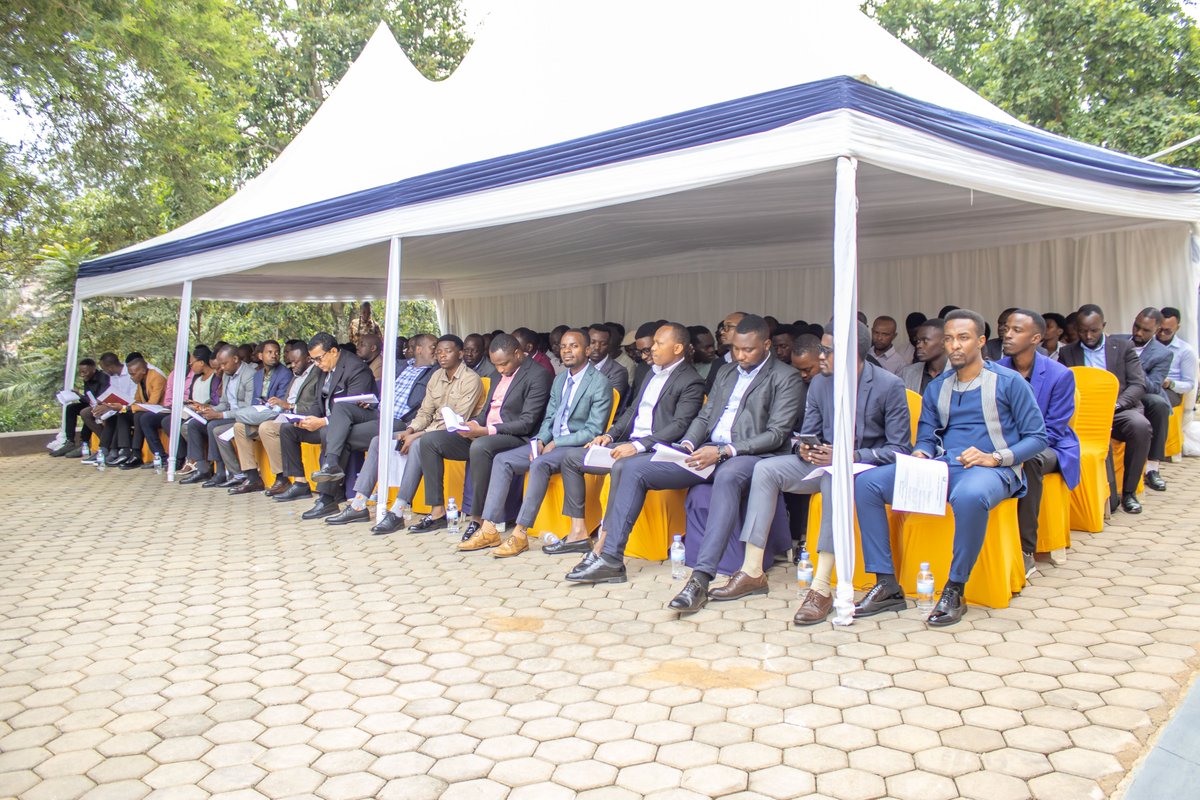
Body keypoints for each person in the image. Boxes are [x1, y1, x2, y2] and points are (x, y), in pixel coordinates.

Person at [566, 315, 804, 615]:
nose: (741, 356)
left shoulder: (785, 377)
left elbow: (777, 433)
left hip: (748, 456)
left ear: (766, 345)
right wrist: (688, 445)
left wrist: (725, 451)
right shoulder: (728, 372)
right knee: (630, 467)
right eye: (737, 350)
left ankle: (700, 579)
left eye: (749, 351)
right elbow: (705, 417)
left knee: (728, 476)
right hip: (705, 452)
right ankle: (611, 558)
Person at [854, 309, 1047, 627]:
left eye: (963, 337)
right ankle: (887, 583)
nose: (954, 345)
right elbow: (928, 436)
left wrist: (996, 457)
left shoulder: (1008, 382)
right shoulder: (938, 386)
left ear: (981, 341)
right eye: (948, 338)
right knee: (867, 483)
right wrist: (920, 453)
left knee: (969, 496)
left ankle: (954, 589)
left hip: (993, 471)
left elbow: (1038, 438)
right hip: (944, 469)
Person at [713, 322, 910, 624]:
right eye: (821, 349)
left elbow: (899, 449)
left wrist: (849, 456)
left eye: (827, 351)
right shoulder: (820, 382)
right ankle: (752, 571)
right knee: (765, 470)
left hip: (864, 468)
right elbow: (809, 433)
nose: (820, 357)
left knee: (834, 478)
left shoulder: (888, 384)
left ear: (851, 352)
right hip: (822, 461)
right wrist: (805, 449)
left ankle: (821, 588)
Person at [553, 323, 705, 554]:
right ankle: (579, 533)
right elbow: (632, 411)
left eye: (658, 344)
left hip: (655, 450)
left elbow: (680, 426)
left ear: (677, 348)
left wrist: (637, 446)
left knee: (622, 467)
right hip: (629, 444)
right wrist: (608, 435)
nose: (652, 348)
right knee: (572, 458)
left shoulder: (690, 380)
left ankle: (606, 543)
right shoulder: (648, 373)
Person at [459, 329, 612, 556]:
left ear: (588, 350)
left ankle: (520, 534)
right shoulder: (560, 380)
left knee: (539, 464)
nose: (567, 351)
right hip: (552, 444)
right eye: (563, 347)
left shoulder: (600, 383)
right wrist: (540, 440)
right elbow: (549, 417)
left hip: (575, 447)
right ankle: (489, 528)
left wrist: (556, 443)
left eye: (574, 346)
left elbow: (593, 430)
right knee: (502, 460)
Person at [403, 333, 552, 536]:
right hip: (484, 433)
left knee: (480, 446)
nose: (500, 370)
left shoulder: (538, 375)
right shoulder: (497, 374)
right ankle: (437, 512)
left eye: (504, 364)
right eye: (496, 365)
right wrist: (470, 425)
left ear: (518, 354)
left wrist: (485, 431)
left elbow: (527, 422)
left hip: (515, 437)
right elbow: (486, 413)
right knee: (429, 441)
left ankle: (478, 518)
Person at [360, 335, 487, 534]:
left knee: (422, 443)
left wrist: (417, 436)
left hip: (461, 437)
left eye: (448, 351)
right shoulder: (436, 376)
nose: (442, 355)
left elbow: (456, 421)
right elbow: (425, 412)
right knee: (380, 440)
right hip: (430, 433)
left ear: (460, 354)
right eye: (439, 352)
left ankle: (400, 511)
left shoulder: (471, 379)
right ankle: (359, 504)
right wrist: (410, 430)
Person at [302, 334, 436, 520]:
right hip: (377, 412)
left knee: (336, 434)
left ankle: (329, 498)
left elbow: (425, 406)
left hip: (400, 422)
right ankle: (331, 465)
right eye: (433, 347)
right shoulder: (401, 366)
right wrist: (372, 402)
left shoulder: (434, 373)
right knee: (341, 406)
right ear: (419, 349)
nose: (438, 352)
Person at [998, 310, 1081, 577]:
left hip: (1050, 447)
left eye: (1017, 330)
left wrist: (1014, 450)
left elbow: (1053, 429)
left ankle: (1025, 551)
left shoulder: (1059, 375)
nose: (1008, 334)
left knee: (1029, 459)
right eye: (1007, 328)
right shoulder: (994, 370)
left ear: (1036, 338)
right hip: (1003, 444)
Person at [1057, 304, 1150, 514]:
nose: (1088, 335)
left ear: (1103, 326)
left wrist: (1116, 405)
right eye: (1082, 331)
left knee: (1140, 426)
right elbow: (1062, 385)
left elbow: (1138, 384)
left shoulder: (1123, 347)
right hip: (1083, 414)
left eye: (1094, 330)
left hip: (1118, 410)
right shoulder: (1067, 352)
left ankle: (1128, 493)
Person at [270, 332, 377, 506]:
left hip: (352, 424)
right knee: (288, 429)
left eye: (319, 359)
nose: (317, 364)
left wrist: (323, 421)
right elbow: (317, 403)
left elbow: (353, 409)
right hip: (326, 421)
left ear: (333, 351)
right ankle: (300, 483)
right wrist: (303, 418)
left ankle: (328, 496)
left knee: (328, 431)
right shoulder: (322, 369)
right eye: (313, 360)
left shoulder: (356, 368)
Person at [229, 341, 322, 495]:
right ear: (260, 356)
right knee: (239, 427)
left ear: (308, 359)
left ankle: (282, 478)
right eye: (291, 362)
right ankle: (252, 477)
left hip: (294, 417)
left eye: (296, 362)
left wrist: (287, 407)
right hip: (280, 415)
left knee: (266, 427)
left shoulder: (314, 375)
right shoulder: (295, 375)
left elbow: (312, 405)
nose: (292, 365)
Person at [1112, 308, 1173, 492]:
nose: (1138, 333)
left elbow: (1154, 385)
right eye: (1136, 327)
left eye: (1145, 330)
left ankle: (1153, 468)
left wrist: (1134, 367)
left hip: (1145, 394)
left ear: (1156, 330)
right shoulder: (1116, 341)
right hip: (1119, 392)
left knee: (1158, 404)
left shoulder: (1162, 353)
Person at [180, 345, 257, 486]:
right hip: (228, 414)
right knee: (193, 425)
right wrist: (208, 410)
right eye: (220, 364)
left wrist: (220, 415)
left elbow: (248, 408)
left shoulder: (250, 375)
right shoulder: (227, 374)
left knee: (214, 426)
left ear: (235, 359)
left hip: (243, 417)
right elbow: (224, 402)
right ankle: (202, 468)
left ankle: (222, 472)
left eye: (224, 364)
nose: (221, 368)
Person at [105, 355, 168, 468]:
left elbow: (152, 404)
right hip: (147, 410)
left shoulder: (156, 378)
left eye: (133, 374)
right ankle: (125, 451)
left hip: (162, 411)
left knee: (141, 416)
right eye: (130, 374)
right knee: (123, 415)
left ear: (143, 370)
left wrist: (126, 407)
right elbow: (137, 401)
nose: (131, 377)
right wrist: (124, 407)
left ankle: (145, 455)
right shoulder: (140, 380)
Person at [49, 358, 112, 458]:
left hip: (104, 406)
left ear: (93, 370)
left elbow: (99, 400)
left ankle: (85, 443)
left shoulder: (103, 378)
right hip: (91, 405)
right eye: (80, 372)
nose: (82, 374)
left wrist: (81, 396)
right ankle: (70, 442)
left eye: (85, 372)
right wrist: (78, 396)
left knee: (87, 412)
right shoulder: (87, 379)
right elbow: (88, 399)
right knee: (71, 408)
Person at [1157, 306, 1196, 406]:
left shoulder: (1185, 350)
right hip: (1147, 385)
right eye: (1159, 329)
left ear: (1177, 328)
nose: (1162, 334)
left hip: (1170, 391)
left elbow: (1189, 384)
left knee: (1153, 400)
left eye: (1167, 331)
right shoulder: (1148, 342)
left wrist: (1170, 383)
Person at [899, 318, 948, 394]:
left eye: (925, 341)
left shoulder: (962, 374)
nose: (919, 345)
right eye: (918, 341)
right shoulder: (908, 373)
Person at [586, 324, 630, 405]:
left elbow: (606, 403)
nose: (597, 347)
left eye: (603, 343)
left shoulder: (618, 372)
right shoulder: (579, 366)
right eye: (592, 342)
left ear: (609, 345)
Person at [705, 311, 747, 394]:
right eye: (723, 328)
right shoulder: (718, 364)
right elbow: (709, 396)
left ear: (746, 330)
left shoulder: (756, 363)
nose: (722, 332)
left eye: (729, 327)